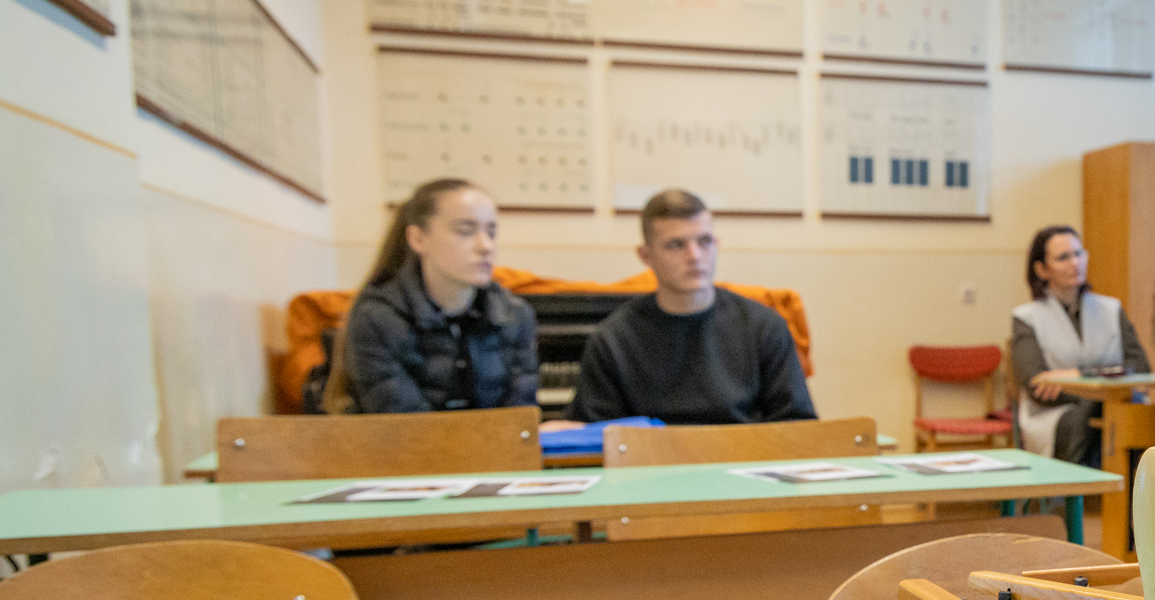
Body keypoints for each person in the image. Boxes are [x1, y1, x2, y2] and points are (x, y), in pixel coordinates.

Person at [567, 190, 815, 426]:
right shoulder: (613, 339)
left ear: (717, 244)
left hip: (742, 454)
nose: (695, 256)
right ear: (645, 255)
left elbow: (796, 425)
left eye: (704, 241)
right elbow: (594, 434)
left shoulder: (764, 327)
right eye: (676, 244)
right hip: (651, 456)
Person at [319, 178, 537, 415]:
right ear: (418, 239)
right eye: (465, 231)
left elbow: (518, 419)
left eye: (491, 232)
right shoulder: (375, 318)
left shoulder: (516, 314)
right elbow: (407, 427)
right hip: (407, 439)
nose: (486, 246)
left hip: (489, 439)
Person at [1010, 226, 1152, 464]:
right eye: (1063, 257)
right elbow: (1036, 384)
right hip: (1056, 413)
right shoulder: (1026, 317)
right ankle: (1088, 487)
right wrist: (1104, 386)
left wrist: (1076, 376)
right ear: (1042, 269)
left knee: (1136, 417)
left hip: (1116, 405)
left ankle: (1138, 485)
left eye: (1078, 254)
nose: (1075, 262)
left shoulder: (1111, 309)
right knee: (1090, 418)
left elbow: (1140, 367)